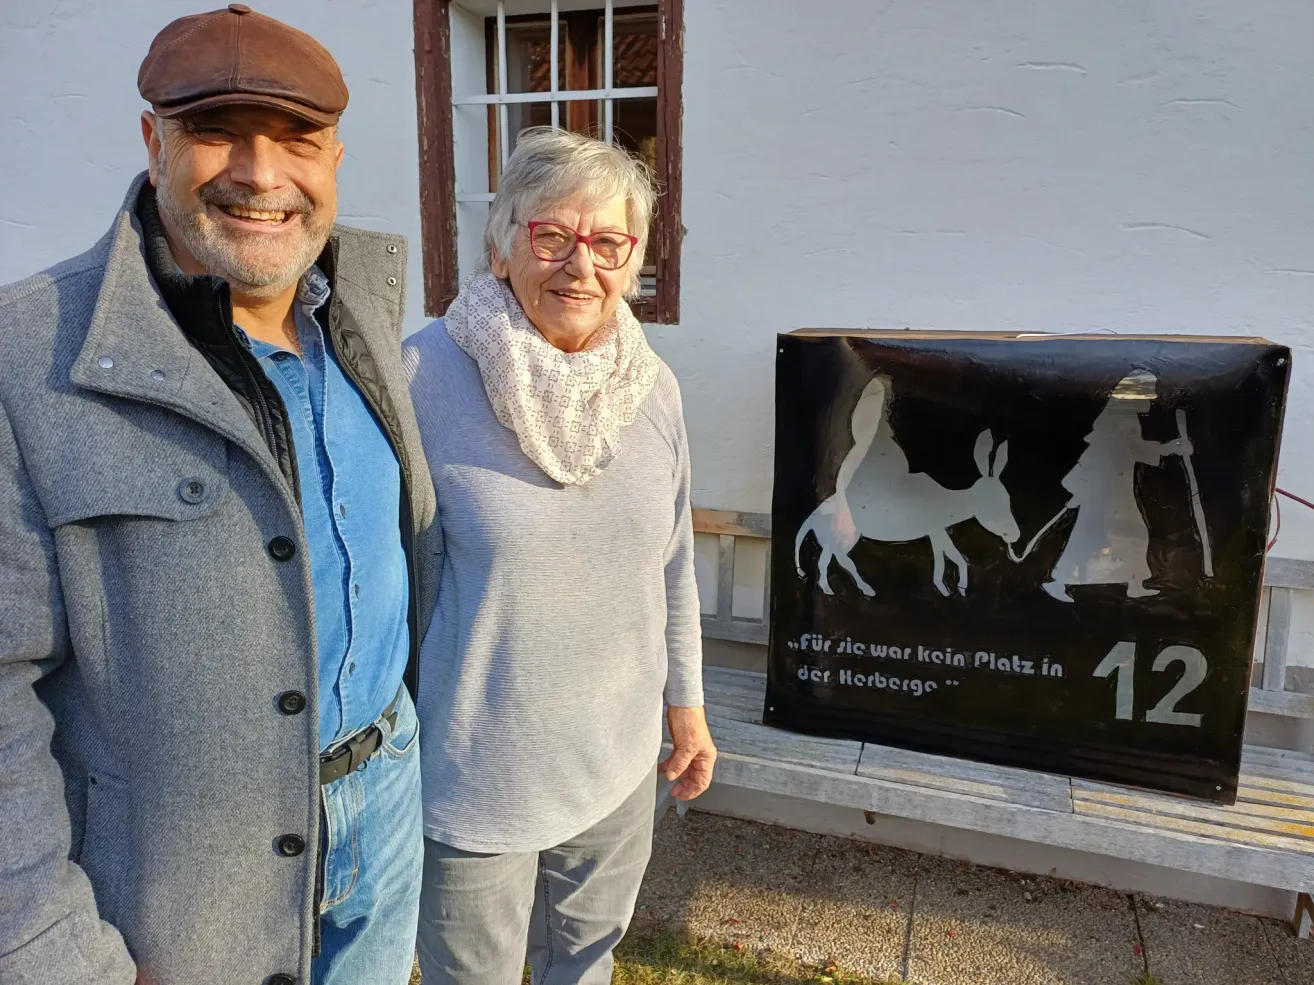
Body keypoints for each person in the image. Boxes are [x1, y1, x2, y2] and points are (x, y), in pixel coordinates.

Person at [0, 7, 436, 984]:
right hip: (181, 905)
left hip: (383, 812)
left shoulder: (363, 312)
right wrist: (52, 954)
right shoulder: (25, 363)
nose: (260, 173)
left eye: (297, 140)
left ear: (335, 157)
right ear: (153, 140)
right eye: (214, 132)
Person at [404, 127, 717, 985]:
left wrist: (685, 704)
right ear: (501, 250)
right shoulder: (424, 377)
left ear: (635, 260)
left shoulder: (652, 387)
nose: (582, 265)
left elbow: (673, 561)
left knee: (584, 961)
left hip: (616, 764)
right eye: (553, 236)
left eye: (609, 242)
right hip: (473, 777)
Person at [1042, 370, 1190, 601]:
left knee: (1129, 535)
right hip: (1105, 492)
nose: (1151, 399)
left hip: (1115, 490)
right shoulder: (1121, 419)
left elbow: (1131, 449)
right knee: (1094, 536)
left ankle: (1134, 582)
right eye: (1147, 394)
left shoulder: (1123, 418)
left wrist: (1171, 448)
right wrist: (1171, 448)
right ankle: (1059, 582)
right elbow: (1133, 449)